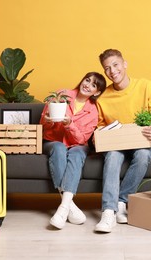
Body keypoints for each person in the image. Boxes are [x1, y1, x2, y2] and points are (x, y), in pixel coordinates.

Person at [94, 49, 151, 233]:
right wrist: (99, 137)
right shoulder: (103, 97)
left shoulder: (145, 86)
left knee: (143, 155)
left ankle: (121, 202)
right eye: (107, 68)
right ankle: (109, 212)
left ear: (124, 64)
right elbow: (100, 125)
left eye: (115, 65)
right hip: (115, 144)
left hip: (141, 141)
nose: (112, 71)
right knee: (112, 156)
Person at [40, 72, 106, 229]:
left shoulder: (93, 111)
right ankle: (68, 205)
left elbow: (82, 139)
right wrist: (48, 121)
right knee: (59, 147)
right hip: (53, 141)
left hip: (77, 145)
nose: (87, 85)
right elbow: (43, 124)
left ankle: (63, 208)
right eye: (87, 80)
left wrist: (69, 125)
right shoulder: (62, 95)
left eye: (93, 85)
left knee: (77, 154)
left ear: (96, 92)